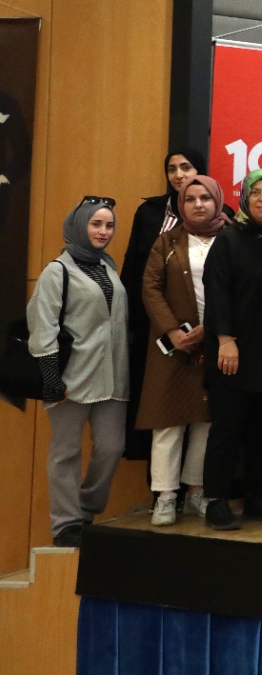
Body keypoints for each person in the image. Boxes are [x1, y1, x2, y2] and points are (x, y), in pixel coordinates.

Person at [30, 197, 128, 547]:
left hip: (113, 376)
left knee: (112, 447)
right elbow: (42, 326)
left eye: (109, 225)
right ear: (79, 225)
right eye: (96, 224)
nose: (103, 232)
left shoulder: (108, 266)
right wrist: (51, 377)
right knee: (66, 452)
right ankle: (66, 524)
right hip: (71, 378)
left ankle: (86, 510)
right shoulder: (56, 271)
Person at [139, 175, 229, 526]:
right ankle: (165, 495)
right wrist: (173, 330)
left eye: (205, 197)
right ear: (181, 204)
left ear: (217, 201)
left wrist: (214, 327)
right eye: (190, 199)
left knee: (207, 420)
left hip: (217, 342)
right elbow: (150, 287)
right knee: (168, 421)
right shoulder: (167, 241)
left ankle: (195, 491)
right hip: (172, 346)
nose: (198, 204)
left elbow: (241, 287)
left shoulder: (230, 238)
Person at [198, 170, 262, 530]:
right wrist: (225, 339)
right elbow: (216, 292)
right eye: (256, 192)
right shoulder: (228, 239)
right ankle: (216, 500)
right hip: (231, 349)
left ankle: (257, 497)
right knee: (228, 425)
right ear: (245, 199)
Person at [120, 148, 211, 462]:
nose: (178, 174)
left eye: (186, 167)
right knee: (161, 408)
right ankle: (161, 484)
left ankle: (195, 483)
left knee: (203, 411)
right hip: (155, 325)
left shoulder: (220, 220)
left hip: (204, 327)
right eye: (172, 169)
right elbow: (136, 270)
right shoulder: (149, 213)